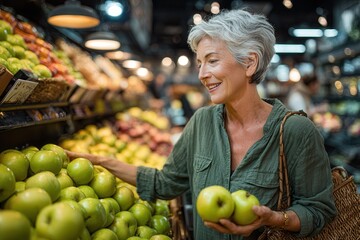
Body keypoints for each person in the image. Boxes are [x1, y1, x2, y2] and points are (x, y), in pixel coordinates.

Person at [66, 9, 336, 239]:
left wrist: (274, 219)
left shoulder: (295, 131)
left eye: (212, 61)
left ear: (250, 63)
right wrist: (100, 162)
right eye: (199, 63)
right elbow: (165, 183)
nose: (203, 74)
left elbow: (319, 209)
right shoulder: (202, 123)